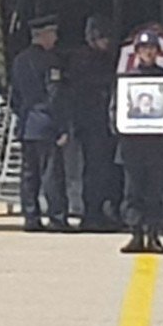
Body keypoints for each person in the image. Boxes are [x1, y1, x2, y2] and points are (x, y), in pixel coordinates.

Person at [115, 29, 163, 254]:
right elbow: (114, 112)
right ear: (136, 53)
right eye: (143, 49)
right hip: (132, 147)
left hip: (159, 148)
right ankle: (135, 235)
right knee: (133, 193)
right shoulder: (126, 80)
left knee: (155, 193)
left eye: (152, 49)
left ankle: (153, 235)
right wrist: (124, 129)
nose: (148, 53)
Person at [11, 14, 71, 232]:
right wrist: (62, 127)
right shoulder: (51, 61)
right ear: (43, 35)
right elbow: (55, 97)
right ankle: (57, 217)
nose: (55, 38)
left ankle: (30, 217)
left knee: (29, 174)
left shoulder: (19, 60)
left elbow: (14, 96)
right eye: (52, 33)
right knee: (51, 174)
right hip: (47, 124)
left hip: (27, 124)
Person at [68, 14, 120, 232]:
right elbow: (83, 86)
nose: (106, 43)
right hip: (92, 125)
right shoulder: (83, 60)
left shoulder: (105, 58)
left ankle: (102, 211)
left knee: (106, 170)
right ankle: (92, 213)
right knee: (95, 170)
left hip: (104, 126)